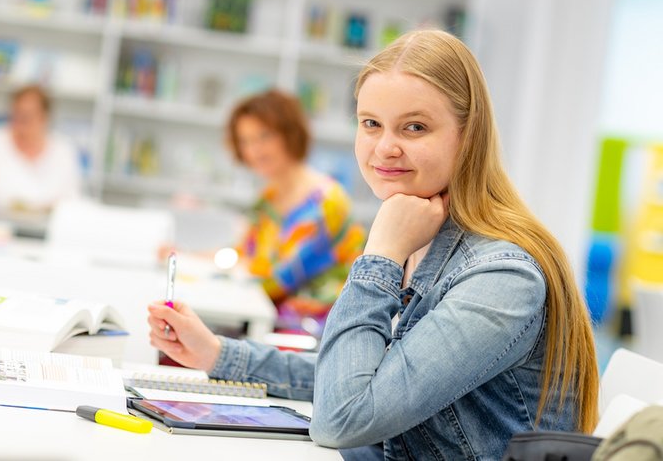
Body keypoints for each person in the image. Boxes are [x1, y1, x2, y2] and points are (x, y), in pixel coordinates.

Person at [147, 29, 599, 459]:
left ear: (469, 136)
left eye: (415, 127)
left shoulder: (501, 277)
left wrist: (381, 254)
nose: (384, 148)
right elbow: (356, 381)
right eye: (371, 123)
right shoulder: (420, 235)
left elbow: (343, 416)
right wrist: (217, 354)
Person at [225, 89, 365, 331]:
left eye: (264, 136)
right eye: (245, 141)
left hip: (311, 325)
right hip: (264, 313)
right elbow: (244, 254)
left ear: (290, 134)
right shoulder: (267, 199)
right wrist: (187, 257)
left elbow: (280, 279)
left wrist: (222, 279)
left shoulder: (326, 202)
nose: (254, 151)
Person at [0, 84, 82, 213]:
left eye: (29, 115)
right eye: (17, 113)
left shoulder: (64, 150)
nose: (21, 120)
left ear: (44, 117)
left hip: (47, 230)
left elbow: (73, 199)